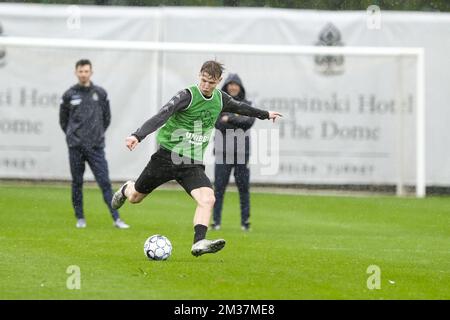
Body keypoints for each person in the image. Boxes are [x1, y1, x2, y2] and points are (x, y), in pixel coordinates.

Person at [111, 60, 281, 257]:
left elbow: (241, 108)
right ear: (199, 76)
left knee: (208, 199)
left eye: (211, 82)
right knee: (135, 198)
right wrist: (137, 135)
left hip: (191, 163)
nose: (206, 85)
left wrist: (265, 114)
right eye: (203, 80)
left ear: (219, 81)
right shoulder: (187, 96)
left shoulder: (220, 98)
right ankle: (126, 189)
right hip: (167, 156)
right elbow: (162, 116)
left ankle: (199, 242)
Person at [59, 59, 129, 229]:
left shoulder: (100, 93)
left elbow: (107, 118)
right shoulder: (69, 95)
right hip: (75, 147)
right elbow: (63, 121)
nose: (83, 74)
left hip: (96, 147)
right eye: (80, 71)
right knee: (77, 183)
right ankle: (80, 218)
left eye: (86, 71)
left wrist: (95, 135)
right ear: (76, 72)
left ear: (91, 72)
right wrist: (74, 136)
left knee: (105, 182)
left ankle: (116, 219)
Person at [211, 73, 255, 231]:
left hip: (242, 154)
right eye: (230, 85)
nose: (233, 87)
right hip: (223, 153)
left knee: (243, 189)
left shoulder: (247, 104)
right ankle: (216, 222)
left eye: (235, 85)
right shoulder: (218, 104)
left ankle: (245, 223)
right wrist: (237, 120)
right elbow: (217, 124)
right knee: (219, 189)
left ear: (240, 87)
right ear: (226, 87)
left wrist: (228, 118)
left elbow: (248, 122)